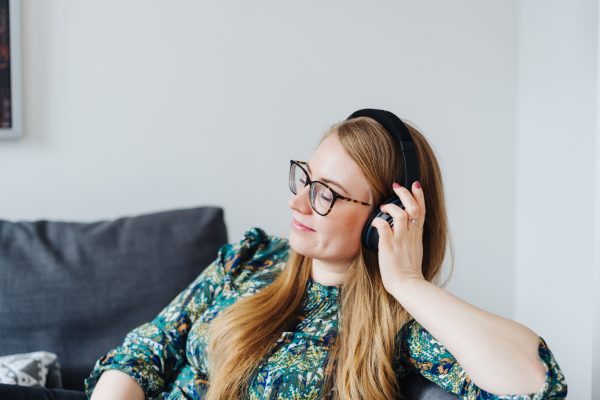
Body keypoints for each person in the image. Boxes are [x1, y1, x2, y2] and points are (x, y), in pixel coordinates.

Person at [84, 108, 567, 400]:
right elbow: (147, 348)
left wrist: (408, 283)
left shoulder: (398, 324)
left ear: (387, 216)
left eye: (327, 193)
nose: (298, 202)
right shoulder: (250, 259)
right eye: (305, 178)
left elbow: (533, 384)